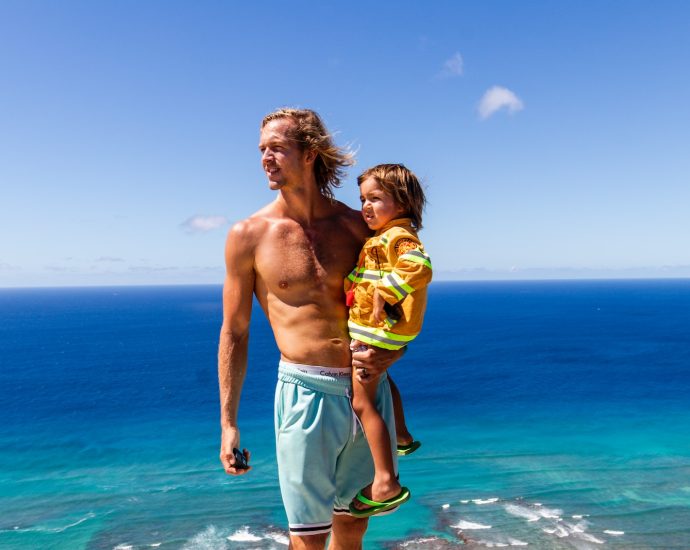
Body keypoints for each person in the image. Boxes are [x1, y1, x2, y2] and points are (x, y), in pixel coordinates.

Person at [218, 108, 404, 549]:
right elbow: (235, 332)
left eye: (276, 148)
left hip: (366, 388)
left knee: (353, 526)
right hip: (306, 394)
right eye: (262, 149)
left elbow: (402, 299)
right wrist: (228, 423)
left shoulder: (357, 227)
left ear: (310, 153)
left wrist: (395, 352)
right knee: (308, 538)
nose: (265, 158)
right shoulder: (250, 235)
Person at [345, 164, 432, 517]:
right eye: (363, 198)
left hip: (380, 331)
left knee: (362, 403)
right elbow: (369, 271)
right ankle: (403, 436)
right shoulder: (382, 237)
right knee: (385, 379)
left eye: (376, 198)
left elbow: (420, 266)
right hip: (381, 331)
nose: (366, 206)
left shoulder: (399, 236)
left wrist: (386, 291)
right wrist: (353, 283)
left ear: (403, 202)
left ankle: (385, 482)